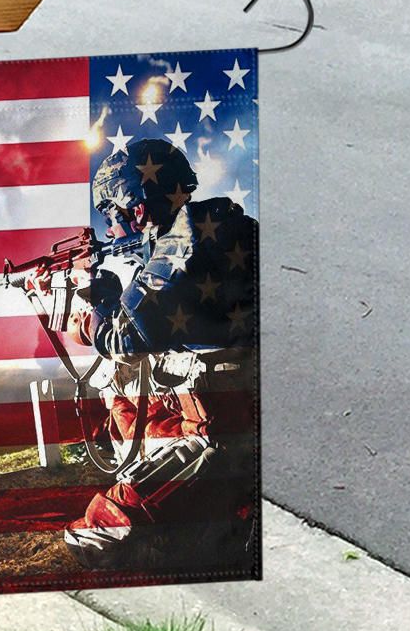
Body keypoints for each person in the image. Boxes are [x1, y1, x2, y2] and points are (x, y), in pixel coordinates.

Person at [57, 138, 259, 572]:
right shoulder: (208, 230)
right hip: (219, 411)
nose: (110, 231)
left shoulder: (186, 240)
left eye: (112, 216)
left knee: (100, 535)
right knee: (125, 408)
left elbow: (123, 337)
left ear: (139, 209)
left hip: (223, 435)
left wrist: (93, 309)